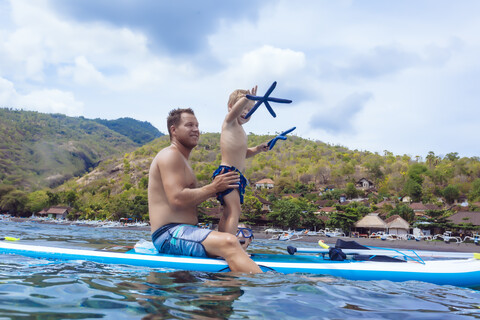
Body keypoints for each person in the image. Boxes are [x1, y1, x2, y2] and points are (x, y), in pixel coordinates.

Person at [148, 108, 261, 273]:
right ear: (173, 130)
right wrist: (213, 187)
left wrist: (217, 192)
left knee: (233, 238)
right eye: (189, 125)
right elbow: (177, 199)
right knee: (229, 242)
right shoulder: (170, 156)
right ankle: (268, 291)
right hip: (168, 235)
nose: (196, 129)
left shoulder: (182, 159)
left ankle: (222, 289)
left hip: (185, 232)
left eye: (197, 125)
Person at [213, 86, 269, 237]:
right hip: (228, 172)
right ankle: (230, 245)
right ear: (231, 107)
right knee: (234, 211)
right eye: (244, 108)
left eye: (250, 109)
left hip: (236, 175)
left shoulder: (241, 131)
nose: (246, 111)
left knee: (228, 211)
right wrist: (246, 99)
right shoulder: (229, 122)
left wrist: (258, 148)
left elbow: (243, 154)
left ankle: (221, 242)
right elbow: (235, 112)